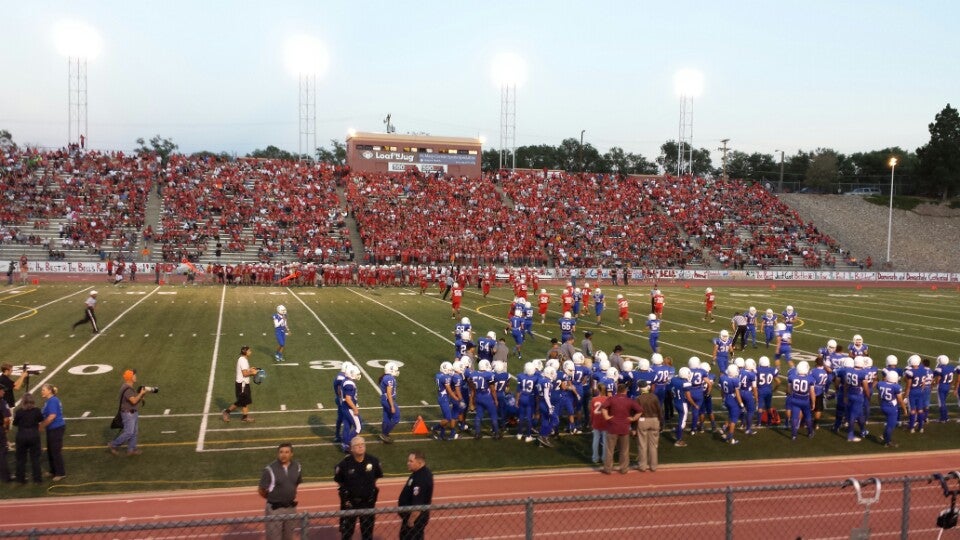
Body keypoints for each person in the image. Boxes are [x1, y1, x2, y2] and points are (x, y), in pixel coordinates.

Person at [334, 436, 383, 540]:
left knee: (367, 534)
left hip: (367, 503)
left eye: (362, 444)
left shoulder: (373, 461)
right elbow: (339, 480)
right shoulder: (344, 464)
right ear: (351, 449)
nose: (360, 446)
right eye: (357, 445)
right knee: (346, 533)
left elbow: (376, 477)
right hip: (349, 504)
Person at [258, 442, 302, 540]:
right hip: (275, 510)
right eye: (281, 452)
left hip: (291, 508)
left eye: (287, 452)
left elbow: (296, 483)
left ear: (291, 454)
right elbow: (261, 490)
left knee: (288, 537)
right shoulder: (269, 469)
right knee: (274, 538)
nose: (284, 455)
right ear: (278, 454)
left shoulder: (297, 467)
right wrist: (274, 498)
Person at [600, 383, 642, 474]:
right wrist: (633, 418)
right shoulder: (629, 400)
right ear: (625, 391)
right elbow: (640, 410)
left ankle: (608, 468)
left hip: (612, 428)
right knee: (624, 450)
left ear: (617, 390)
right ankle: (624, 468)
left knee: (610, 450)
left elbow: (603, 407)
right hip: (624, 428)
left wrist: (607, 417)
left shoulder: (612, 399)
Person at [108, 369, 148, 456]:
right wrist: (141, 394)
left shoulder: (128, 387)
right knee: (129, 432)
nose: (136, 376)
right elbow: (133, 401)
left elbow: (133, 400)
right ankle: (113, 444)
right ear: (130, 378)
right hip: (128, 414)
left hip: (133, 412)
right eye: (134, 375)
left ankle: (131, 449)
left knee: (134, 432)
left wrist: (140, 397)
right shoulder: (127, 389)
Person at [398, 449, 433, 540]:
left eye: (411, 461)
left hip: (415, 519)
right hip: (412, 518)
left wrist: (411, 521)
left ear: (420, 462)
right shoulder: (418, 473)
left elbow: (418, 505)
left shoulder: (421, 478)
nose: (408, 463)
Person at [223, 346, 261, 423]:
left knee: (245, 401)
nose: (251, 352)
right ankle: (226, 412)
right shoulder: (243, 360)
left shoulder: (243, 359)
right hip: (242, 385)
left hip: (244, 384)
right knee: (240, 402)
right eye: (249, 351)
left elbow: (245, 371)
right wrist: (253, 373)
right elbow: (244, 374)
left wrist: (250, 369)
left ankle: (245, 417)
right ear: (245, 352)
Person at [13, 392, 43, 484]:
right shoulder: (37, 410)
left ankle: (20, 479)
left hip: (22, 435)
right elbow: (41, 420)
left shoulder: (19, 412)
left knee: (21, 459)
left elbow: (15, 423)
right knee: (35, 459)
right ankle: (37, 479)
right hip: (34, 435)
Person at [39, 384, 66, 480]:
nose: (42, 391)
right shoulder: (50, 401)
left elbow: (52, 416)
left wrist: (42, 425)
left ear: (49, 391)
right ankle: (53, 471)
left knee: (55, 451)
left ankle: (60, 473)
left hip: (56, 428)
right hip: (52, 428)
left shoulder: (52, 401)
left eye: (43, 390)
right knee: (51, 450)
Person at [635, 381, 662, 472]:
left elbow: (636, 413)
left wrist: (634, 427)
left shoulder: (638, 398)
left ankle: (642, 466)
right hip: (654, 420)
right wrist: (661, 423)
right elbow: (659, 411)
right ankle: (653, 466)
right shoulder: (654, 397)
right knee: (653, 445)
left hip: (643, 421)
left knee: (642, 445)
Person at [379, 362, 400, 443]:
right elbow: (389, 393)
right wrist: (392, 406)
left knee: (386, 417)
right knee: (396, 417)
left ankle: (384, 433)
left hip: (384, 400)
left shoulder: (387, 377)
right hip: (388, 400)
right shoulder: (389, 379)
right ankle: (384, 434)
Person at [589, 383, 608, 464]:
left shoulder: (594, 399)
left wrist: (591, 422)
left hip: (596, 420)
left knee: (596, 440)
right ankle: (604, 458)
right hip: (605, 421)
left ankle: (595, 458)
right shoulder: (608, 399)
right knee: (605, 441)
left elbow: (592, 413)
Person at [0, 385, 12, 482]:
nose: (3, 392)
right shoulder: (2, 402)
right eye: (2, 391)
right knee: (2, 453)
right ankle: (5, 476)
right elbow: (7, 418)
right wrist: (6, 428)